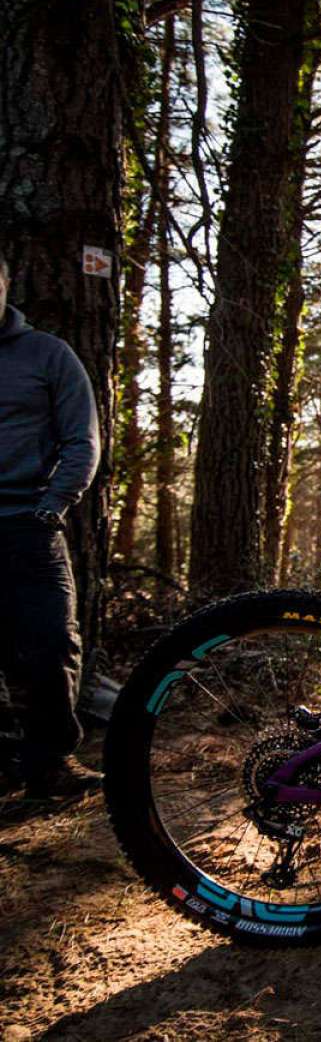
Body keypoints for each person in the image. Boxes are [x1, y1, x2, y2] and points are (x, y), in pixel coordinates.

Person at [0, 252, 102, 799]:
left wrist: (53, 504)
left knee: (49, 645)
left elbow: (82, 439)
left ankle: (51, 767)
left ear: (6, 284)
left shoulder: (48, 355)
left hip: (29, 527)